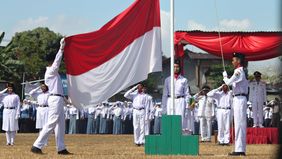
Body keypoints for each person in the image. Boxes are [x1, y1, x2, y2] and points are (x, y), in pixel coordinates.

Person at [31, 38, 72, 155]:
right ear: (52, 60)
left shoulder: (54, 73)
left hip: (58, 98)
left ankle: (61, 147)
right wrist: (61, 49)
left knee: (60, 124)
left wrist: (65, 100)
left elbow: (58, 89)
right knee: (52, 122)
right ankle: (37, 145)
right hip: (54, 99)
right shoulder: (50, 71)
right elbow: (57, 62)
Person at [223, 52, 248, 156]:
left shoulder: (238, 71)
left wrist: (224, 76)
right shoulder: (239, 71)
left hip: (240, 98)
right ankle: (239, 148)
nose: (232, 62)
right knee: (238, 124)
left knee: (239, 124)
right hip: (237, 98)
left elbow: (228, 82)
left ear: (238, 61)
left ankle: (240, 149)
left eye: (233, 60)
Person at [162, 59, 191, 130]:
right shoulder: (167, 79)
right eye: (174, 67)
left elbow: (187, 94)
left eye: (177, 67)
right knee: (170, 118)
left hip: (180, 100)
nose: (176, 68)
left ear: (179, 68)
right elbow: (165, 94)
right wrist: (164, 107)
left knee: (180, 119)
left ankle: (179, 136)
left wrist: (187, 106)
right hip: (170, 100)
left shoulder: (184, 80)